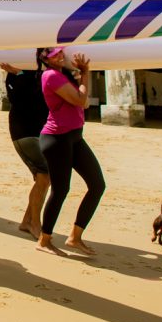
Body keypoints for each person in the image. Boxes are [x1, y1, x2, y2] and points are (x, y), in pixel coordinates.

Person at [35, 46, 105, 257]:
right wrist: (85, 74)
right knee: (61, 190)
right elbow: (80, 100)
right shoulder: (50, 76)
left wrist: (82, 74)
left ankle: (75, 237)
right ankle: (44, 240)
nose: (59, 55)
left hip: (74, 137)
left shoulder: (63, 74)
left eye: (60, 52)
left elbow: (81, 104)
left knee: (97, 185)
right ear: (43, 58)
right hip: (56, 139)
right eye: (54, 53)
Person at [0, 62, 50, 240]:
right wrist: (20, 73)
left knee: (43, 177)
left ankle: (27, 220)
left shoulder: (39, 73)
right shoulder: (16, 74)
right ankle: (34, 223)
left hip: (40, 129)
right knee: (44, 175)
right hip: (24, 131)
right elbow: (18, 98)